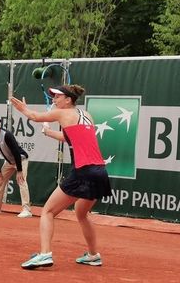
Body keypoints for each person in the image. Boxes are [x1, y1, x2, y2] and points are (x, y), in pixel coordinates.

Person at [10, 84, 111, 269]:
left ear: (68, 100)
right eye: (53, 97)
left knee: (48, 211)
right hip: (100, 172)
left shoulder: (63, 114)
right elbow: (70, 138)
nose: (54, 100)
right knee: (81, 213)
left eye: (57, 97)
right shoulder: (86, 115)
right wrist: (49, 132)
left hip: (83, 171)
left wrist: (22, 108)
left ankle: (44, 254)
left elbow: (35, 116)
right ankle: (93, 255)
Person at [0, 115, 32, 218]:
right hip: (9, 161)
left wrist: (19, 170)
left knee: (21, 181)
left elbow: (16, 153)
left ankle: (26, 210)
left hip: (20, 159)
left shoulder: (7, 135)